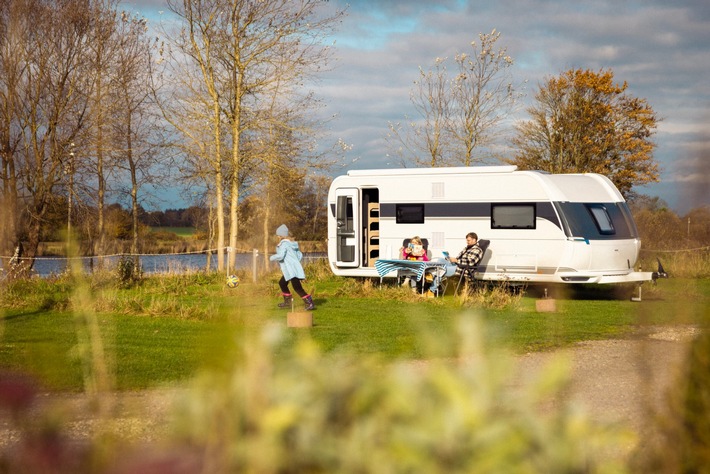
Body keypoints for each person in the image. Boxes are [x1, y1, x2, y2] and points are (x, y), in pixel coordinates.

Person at [269, 224, 315, 310]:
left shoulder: (284, 245)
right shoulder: (291, 244)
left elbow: (281, 255)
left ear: (281, 235)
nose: (277, 236)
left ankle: (309, 302)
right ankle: (288, 302)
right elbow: (299, 255)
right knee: (282, 283)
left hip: (292, 270)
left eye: (278, 234)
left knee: (297, 287)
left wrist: (272, 257)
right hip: (292, 269)